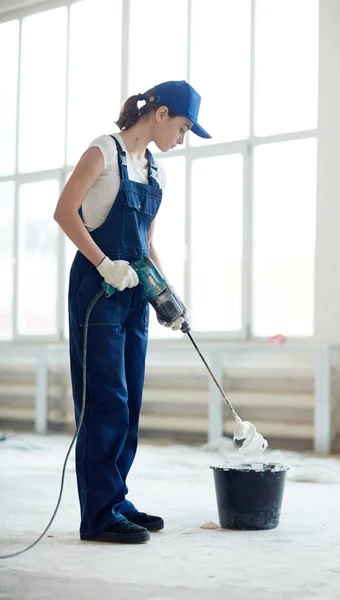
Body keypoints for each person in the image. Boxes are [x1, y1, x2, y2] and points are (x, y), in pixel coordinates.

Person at [54, 80, 211, 544]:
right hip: (98, 290)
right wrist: (103, 263)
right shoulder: (104, 150)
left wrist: (167, 296)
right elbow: (65, 212)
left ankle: (116, 500)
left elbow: (146, 244)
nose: (181, 139)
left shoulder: (155, 172)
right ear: (160, 114)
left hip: (133, 293)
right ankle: (98, 515)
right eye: (182, 128)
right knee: (106, 401)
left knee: (131, 402)